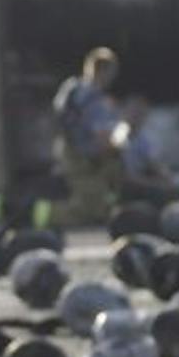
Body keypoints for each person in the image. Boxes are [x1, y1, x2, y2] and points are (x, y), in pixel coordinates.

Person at [51, 45, 122, 226]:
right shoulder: (92, 97)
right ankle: (45, 215)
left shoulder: (73, 88)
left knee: (97, 195)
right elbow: (101, 135)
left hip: (70, 151)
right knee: (91, 206)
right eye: (111, 72)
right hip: (79, 157)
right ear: (102, 71)